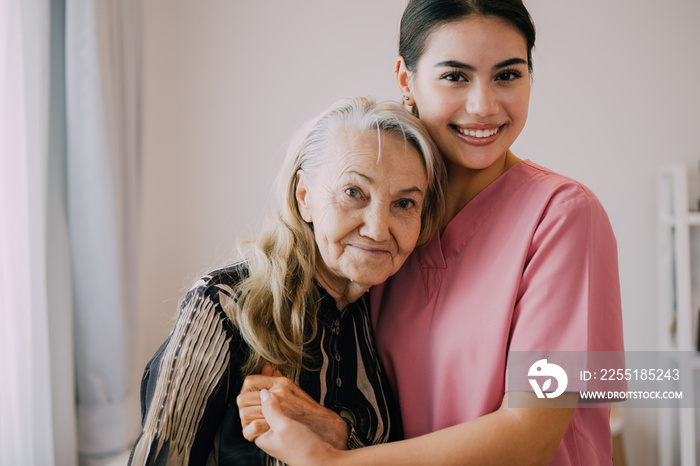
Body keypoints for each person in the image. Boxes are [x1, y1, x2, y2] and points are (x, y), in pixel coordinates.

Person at [247, 0, 625, 465]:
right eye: (455, 76)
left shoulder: (563, 216)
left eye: (508, 75)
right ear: (406, 80)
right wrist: (337, 432)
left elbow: (530, 431)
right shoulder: (384, 228)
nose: (483, 105)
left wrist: (334, 463)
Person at [128, 96, 446, 465]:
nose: (377, 229)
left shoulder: (388, 313)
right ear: (304, 195)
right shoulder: (224, 304)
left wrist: (340, 436)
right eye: (353, 192)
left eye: (404, 204)